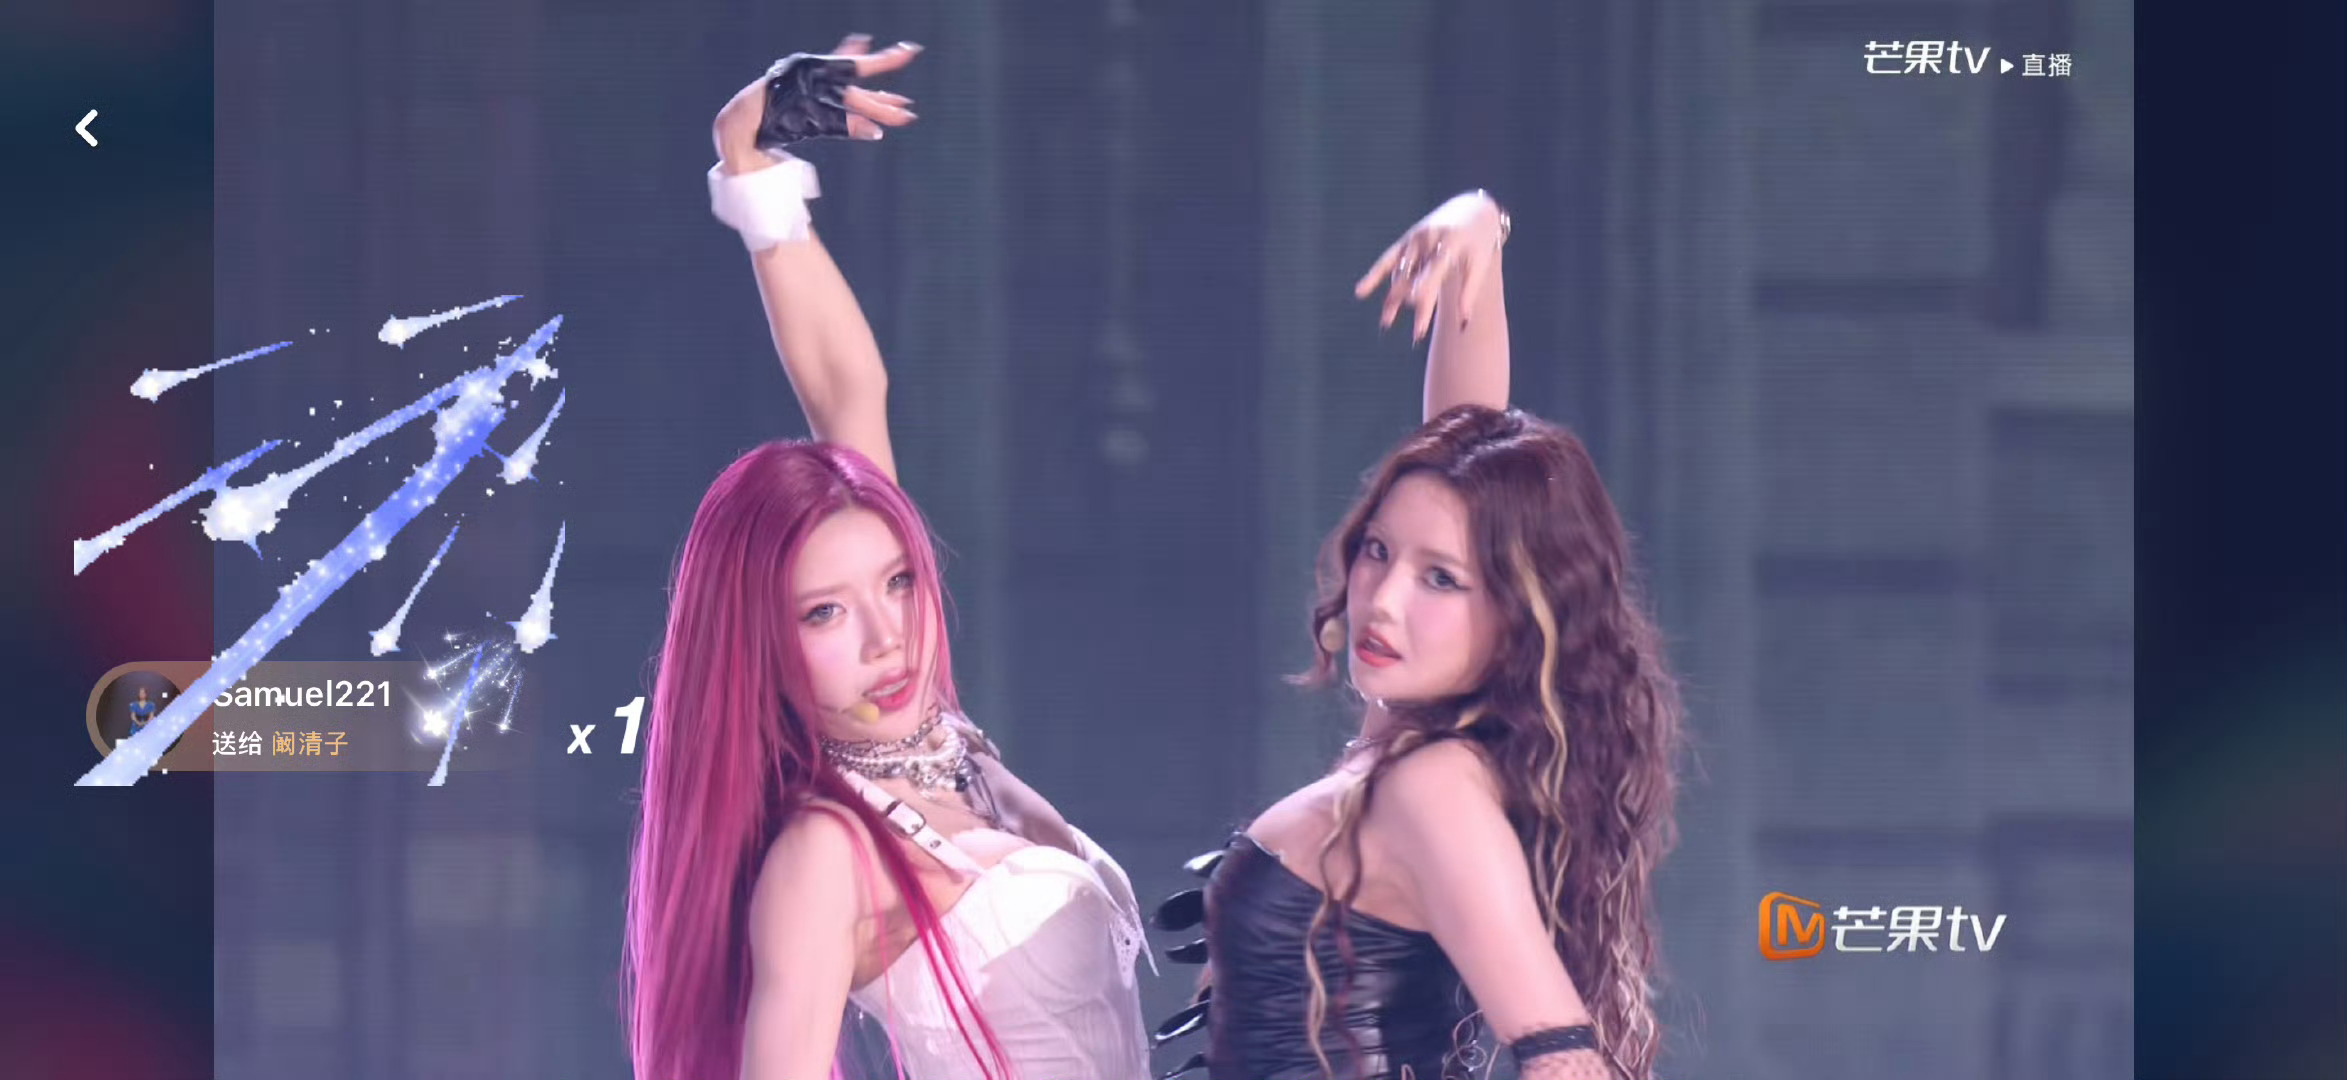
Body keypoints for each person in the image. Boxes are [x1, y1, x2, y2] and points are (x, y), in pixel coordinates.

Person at [621, 37, 1151, 1080]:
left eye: (898, 583)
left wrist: (755, 171)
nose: (885, 634)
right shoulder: (825, 852)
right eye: (823, 613)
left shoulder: (944, 746)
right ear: (759, 646)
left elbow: (848, 390)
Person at [1151, 194, 1686, 1080]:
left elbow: (1565, 1060)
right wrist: (1482, 233)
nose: (1382, 602)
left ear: (1520, 615)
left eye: (1439, 580)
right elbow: (1465, 455)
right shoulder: (1420, 756)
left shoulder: (1433, 786)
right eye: (1375, 552)